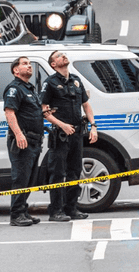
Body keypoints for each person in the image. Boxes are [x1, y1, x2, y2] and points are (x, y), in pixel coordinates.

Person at [40, 50, 97, 222]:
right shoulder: (50, 83)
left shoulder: (76, 80)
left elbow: (86, 105)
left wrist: (93, 126)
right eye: (58, 56)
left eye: (64, 54)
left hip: (77, 134)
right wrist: (62, 125)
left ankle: (71, 208)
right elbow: (44, 111)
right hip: (61, 135)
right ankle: (56, 211)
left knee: (75, 171)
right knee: (57, 173)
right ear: (53, 64)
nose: (63, 56)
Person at [3, 56, 43, 227]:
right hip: (22, 141)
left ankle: (23, 211)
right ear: (16, 70)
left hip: (34, 141)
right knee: (20, 178)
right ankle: (16, 215)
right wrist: (19, 135)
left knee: (29, 179)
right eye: (25, 64)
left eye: (29, 64)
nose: (29, 66)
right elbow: (9, 113)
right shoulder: (14, 88)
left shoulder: (29, 88)